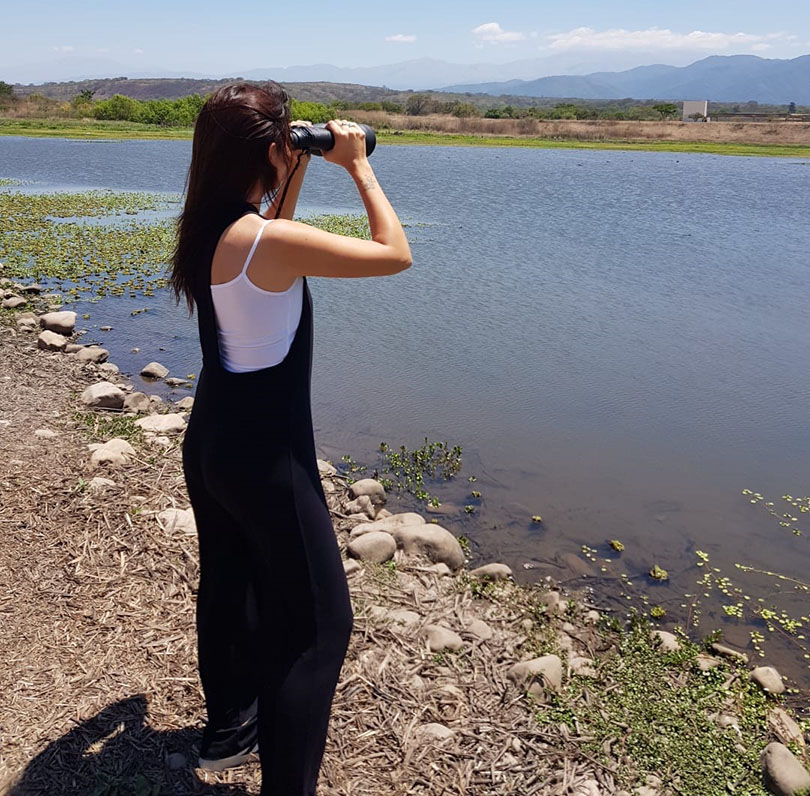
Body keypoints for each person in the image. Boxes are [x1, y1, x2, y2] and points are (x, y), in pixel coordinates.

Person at [169, 81, 412, 796]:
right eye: (286, 142)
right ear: (268, 147)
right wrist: (358, 164)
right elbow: (394, 253)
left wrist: (295, 165)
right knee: (319, 629)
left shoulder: (214, 225)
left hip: (213, 439)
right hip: (267, 458)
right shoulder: (266, 240)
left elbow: (270, 253)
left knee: (232, 580)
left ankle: (230, 730)